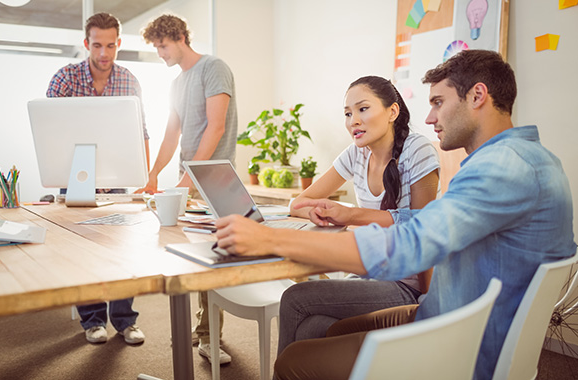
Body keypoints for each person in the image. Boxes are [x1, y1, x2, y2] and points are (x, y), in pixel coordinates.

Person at [213, 49, 576, 380]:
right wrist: (352, 216)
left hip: (460, 342)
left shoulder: (502, 168)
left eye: (438, 102)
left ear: (478, 96)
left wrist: (271, 237)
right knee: (314, 330)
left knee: (293, 361)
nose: (430, 116)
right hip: (444, 312)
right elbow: (423, 221)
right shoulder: (524, 158)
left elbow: (407, 246)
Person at [279, 75, 439, 354]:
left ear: (392, 111)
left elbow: (422, 228)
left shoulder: (418, 149)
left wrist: (426, 303)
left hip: (406, 285)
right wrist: (324, 211)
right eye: (347, 113)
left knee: (295, 298)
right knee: (310, 328)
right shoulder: (356, 154)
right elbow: (299, 203)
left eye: (363, 109)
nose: (353, 120)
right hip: (371, 275)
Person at [137, 13, 238, 364]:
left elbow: (216, 127)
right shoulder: (177, 83)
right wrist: (153, 176)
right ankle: (197, 330)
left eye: (162, 46)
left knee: (211, 259)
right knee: (188, 256)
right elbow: (171, 134)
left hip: (215, 181)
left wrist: (187, 180)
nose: (161, 54)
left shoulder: (214, 68)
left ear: (180, 37)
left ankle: (210, 337)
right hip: (190, 181)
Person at [47, 12, 148, 346]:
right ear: (86, 43)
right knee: (83, 253)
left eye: (110, 45)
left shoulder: (128, 80)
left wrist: (145, 176)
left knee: (120, 252)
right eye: (96, 45)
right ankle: (92, 321)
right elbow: (51, 133)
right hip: (76, 178)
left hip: (116, 179)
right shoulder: (65, 78)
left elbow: (140, 131)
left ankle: (125, 321)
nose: (104, 53)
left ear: (118, 43)